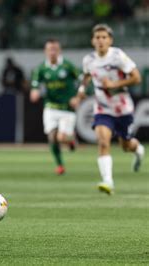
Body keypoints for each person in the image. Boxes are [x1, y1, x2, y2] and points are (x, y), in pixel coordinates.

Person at [71, 24, 144, 195]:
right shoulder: (88, 59)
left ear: (110, 40)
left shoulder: (118, 56)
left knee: (126, 145)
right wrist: (80, 94)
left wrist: (114, 84)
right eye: (97, 37)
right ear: (92, 41)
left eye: (104, 37)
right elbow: (87, 76)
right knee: (103, 142)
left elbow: (136, 78)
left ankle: (139, 150)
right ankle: (108, 181)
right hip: (103, 108)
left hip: (122, 108)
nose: (101, 40)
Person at [30, 39, 81, 175]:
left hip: (67, 109)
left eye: (55, 49)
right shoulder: (41, 68)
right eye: (49, 50)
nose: (52, 52)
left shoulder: (67, 66)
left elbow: (84, 80)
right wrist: (34, 91)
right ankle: (60, 165)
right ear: (45, 52)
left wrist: (78, 97)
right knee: (52, 137)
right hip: (50, 107)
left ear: (59, 51)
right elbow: (35, 84)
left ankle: (71, 140)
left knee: (61, 138)